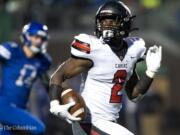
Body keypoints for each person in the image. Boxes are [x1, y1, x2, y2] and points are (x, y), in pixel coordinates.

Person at [49, 1, 162, 135]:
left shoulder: (133, 50)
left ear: (125, 23)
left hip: (108, 123)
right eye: (103, 20)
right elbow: (58, 75)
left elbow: (134, 95)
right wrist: (54, 104)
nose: (106, 24)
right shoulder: (94, 49)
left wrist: (151, 72)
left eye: (112, 20)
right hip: (88, 121)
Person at [0, 21, 51, 135]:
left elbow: (48, 84)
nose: (39, 41)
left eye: (42, 38)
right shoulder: (12, 50)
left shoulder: (43, 61)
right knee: (38, 128)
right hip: (4, 105)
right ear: (27, 36)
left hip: (20, 108)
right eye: (36, 37)